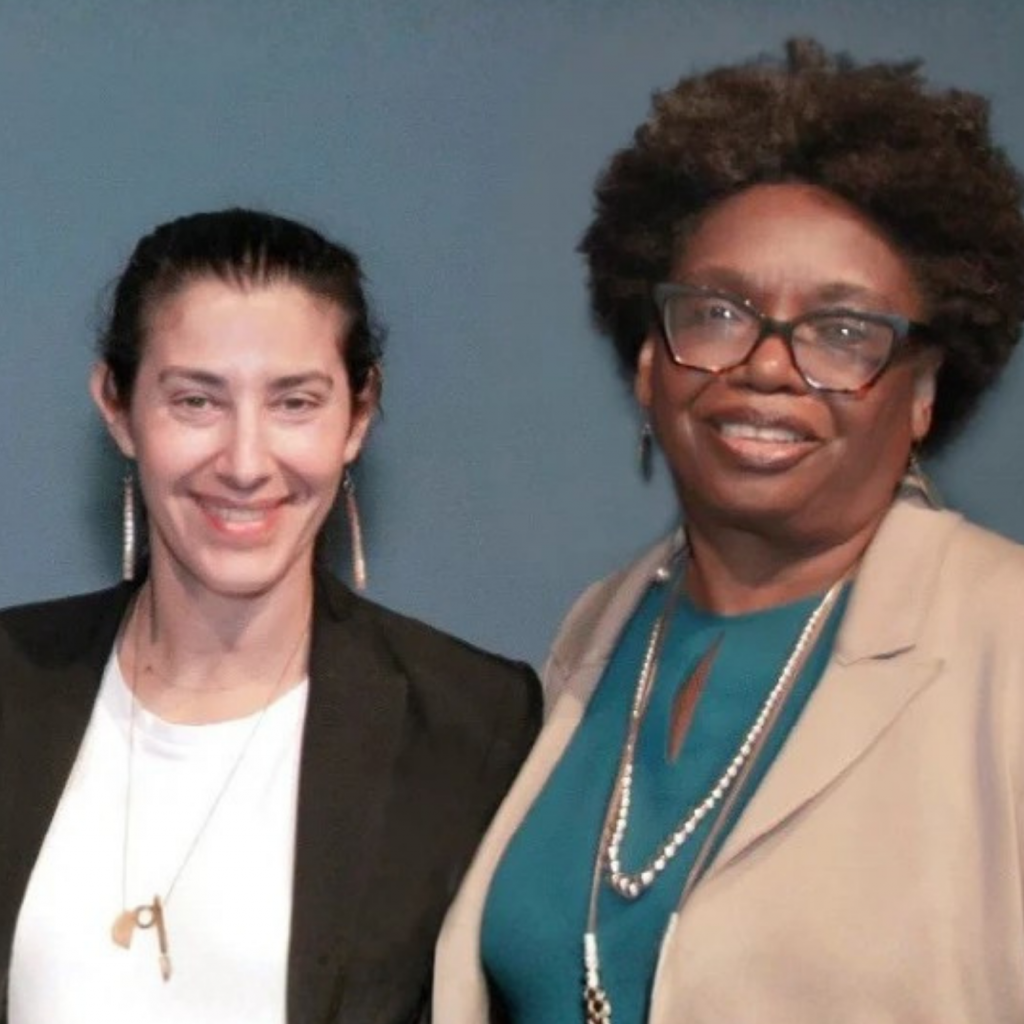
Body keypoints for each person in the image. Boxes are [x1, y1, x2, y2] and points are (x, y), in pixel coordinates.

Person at [434, 38, 1024, 1024]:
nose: (766, 366)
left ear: (921, 392)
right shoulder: (601, 629)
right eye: (718, 313)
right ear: (647, 363)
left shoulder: (1002, 640)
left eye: (842, 332)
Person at [0, 208, 541, 1024]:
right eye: (195, 401)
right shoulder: (11, 686)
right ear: (117, 408)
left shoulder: (471, 728)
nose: (247, 463)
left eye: (295, 402)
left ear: (358, 416)